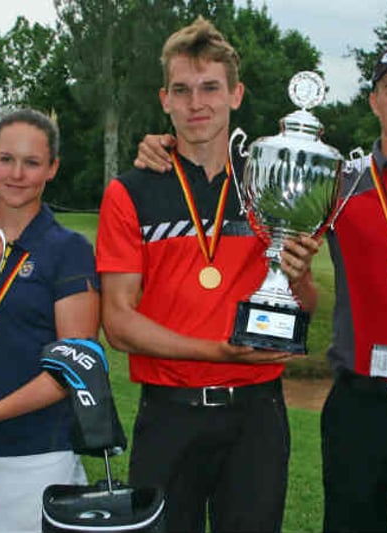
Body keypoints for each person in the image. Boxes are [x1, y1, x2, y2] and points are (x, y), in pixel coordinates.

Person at [135, 39, 387, 532]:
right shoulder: (338, 181)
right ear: (373, 101)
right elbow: (262, 196)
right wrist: (162, 143)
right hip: (358, 401)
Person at [97, 17, 309, 533]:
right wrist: (216, 352)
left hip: (256, 416)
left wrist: (298, 277)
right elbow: (119, 323)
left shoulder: (271, 184)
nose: (197, 104)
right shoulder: (130, 191)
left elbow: (303, 306)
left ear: (235, 94)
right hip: (169, 413)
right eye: (183, 90)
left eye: (211, 88)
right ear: (164, 99)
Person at [0, 109, 101, 532]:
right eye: (7, 159)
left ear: (52, 169)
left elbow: (74, 365)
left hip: (38, 455)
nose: (17, 173)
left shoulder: (70, 250)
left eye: (32, 162)